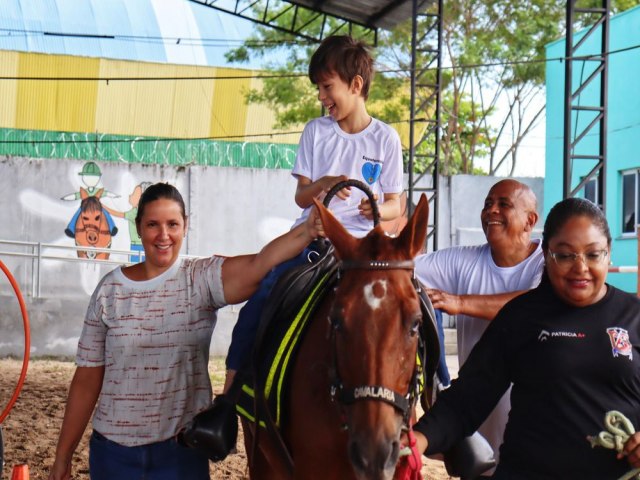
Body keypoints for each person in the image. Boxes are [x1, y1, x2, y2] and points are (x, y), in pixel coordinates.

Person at [48, 182, 323, 480]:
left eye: (172, 224)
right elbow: (87, 379)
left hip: (180, 456)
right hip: (114, 455)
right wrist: (63, 455)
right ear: (139, 228)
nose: (163, 235)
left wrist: (307, 231)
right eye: (153, 224)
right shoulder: (109, 291)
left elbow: (261, 263)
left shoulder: (201, 279)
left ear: (185, 226)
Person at [223, 34, 404, 392]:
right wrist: (322, 182)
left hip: (367, 249)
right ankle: (227, 401)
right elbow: (301, 197)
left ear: (355, 85)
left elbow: (397, 204)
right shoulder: (316, 132)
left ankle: (435, 390)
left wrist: (377, 209)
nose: (321, 97)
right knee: (263, 298)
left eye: (326, 87)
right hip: (316, 242)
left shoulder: (386, 139)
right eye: (318, 89)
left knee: (415, 304)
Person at [413, 196, 640, 479]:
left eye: (594, 254)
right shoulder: (520, 316)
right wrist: (416, 441)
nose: (580, 267)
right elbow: (468, 398)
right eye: (565, 255)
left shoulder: (634, 317)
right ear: (546, 255)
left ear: (609, 254)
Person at [415, 179, 545, 473]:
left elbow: (533, 305)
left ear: (530, 220)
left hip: (533, 432)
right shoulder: (464, 260)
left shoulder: (547, 263)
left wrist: (460, 303)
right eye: (488, 204)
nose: (492, 211)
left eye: (504, 204)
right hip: (477, 423)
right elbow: (404, 267)